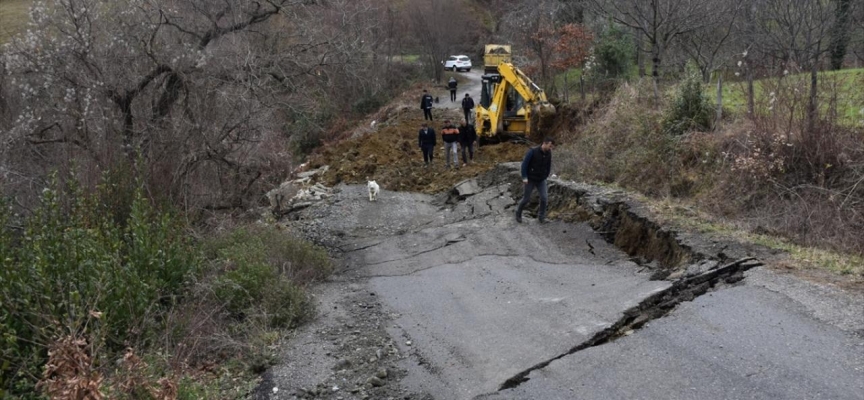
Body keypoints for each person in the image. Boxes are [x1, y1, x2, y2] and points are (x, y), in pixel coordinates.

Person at [515, 138, 555, 224]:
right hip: (530, 179)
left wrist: (546, 175)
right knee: (526, 199)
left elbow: (548, 165)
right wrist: (524, 177)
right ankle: (518, 213)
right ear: (544, 143)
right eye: (550, 145)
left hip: (541, 179)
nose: (550, 148)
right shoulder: (532, 151)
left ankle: (541, 217)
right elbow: (524, 165)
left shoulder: (549, 153)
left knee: (544, 198)